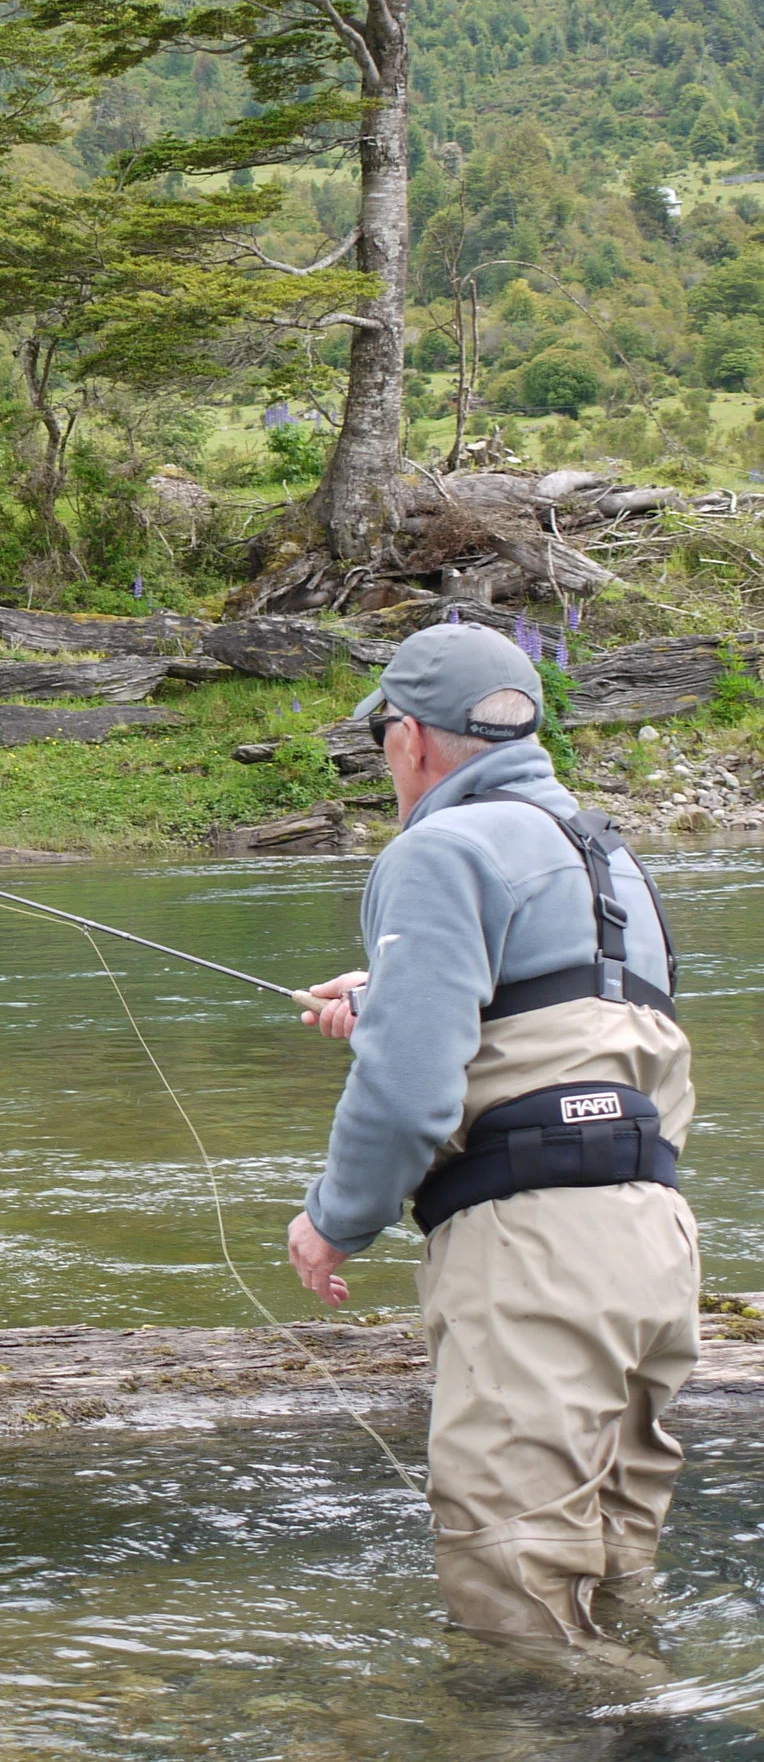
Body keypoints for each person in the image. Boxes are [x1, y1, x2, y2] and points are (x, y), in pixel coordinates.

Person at [288, 621, 697, 1648]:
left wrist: (334, 1222)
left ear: (409, 740)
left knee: (515, 1595)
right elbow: (576, 1032)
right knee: (613, 1577)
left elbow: (409, 1090)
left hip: (533, 1253)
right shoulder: (609, 855)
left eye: (384, 733)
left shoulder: (439, 848)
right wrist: (394, 996)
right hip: (654, 1246)